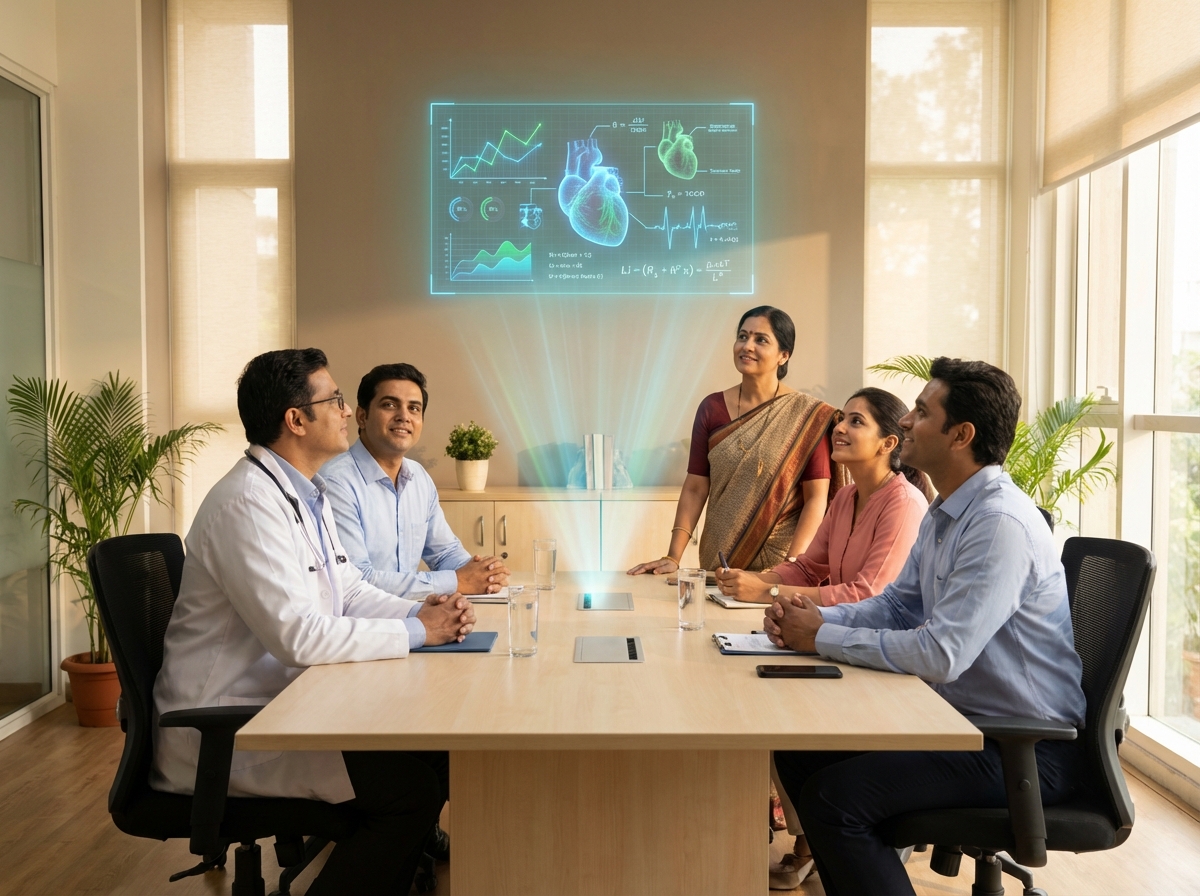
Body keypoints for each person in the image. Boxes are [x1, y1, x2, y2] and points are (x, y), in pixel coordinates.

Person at [151, 348, 476, 895]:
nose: (348, 412)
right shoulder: (247, 503)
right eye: (336, 401)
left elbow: (347, 590)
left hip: (285, 705)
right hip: (232, 730)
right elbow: (298, 634)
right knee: (409, 792)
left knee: (433, 754)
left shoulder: (304, 493)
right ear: (296, 420)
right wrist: (420, 632)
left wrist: (422, 611)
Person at [766, 358, 1087, 896]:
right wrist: (817, 619)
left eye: (921, 411)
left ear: (961, 435)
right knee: (800, 750)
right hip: (960, 723)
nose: (907, 422)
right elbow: (895, 606)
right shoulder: (948, 511)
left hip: (1019, 750)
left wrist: (820, 636)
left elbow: (942, 653)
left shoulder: (997, 524)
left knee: (834, 800)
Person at [628, 306, 841, 576]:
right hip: (718, 563)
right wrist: (673, 556)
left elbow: (816, 498)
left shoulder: (807, 417)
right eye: (742, 336)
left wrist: (791, 568)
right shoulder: (712, 407)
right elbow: (695, 487)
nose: (747, 346)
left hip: (773, 570)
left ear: (783, 355)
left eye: (760, 340)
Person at [714, 388, 932, 606]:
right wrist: (749, 580)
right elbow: (807, 570)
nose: (839, 428)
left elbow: (867, 595)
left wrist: (766, 592)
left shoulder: (904, 503)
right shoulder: (845, 497)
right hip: (844, 629)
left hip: (883, 637)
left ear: (887, 444)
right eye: (842, 419)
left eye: (856, 421)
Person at [321, 363, 509, 599]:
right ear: (362, 416)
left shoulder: (418, 477)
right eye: (389, 405)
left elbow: (444, 553)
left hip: (412, 615)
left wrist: (484, 573)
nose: (404, 417)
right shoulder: (336, 482)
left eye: (414, 408)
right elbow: (359, 579)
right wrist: (458, 580)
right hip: (363, 624)